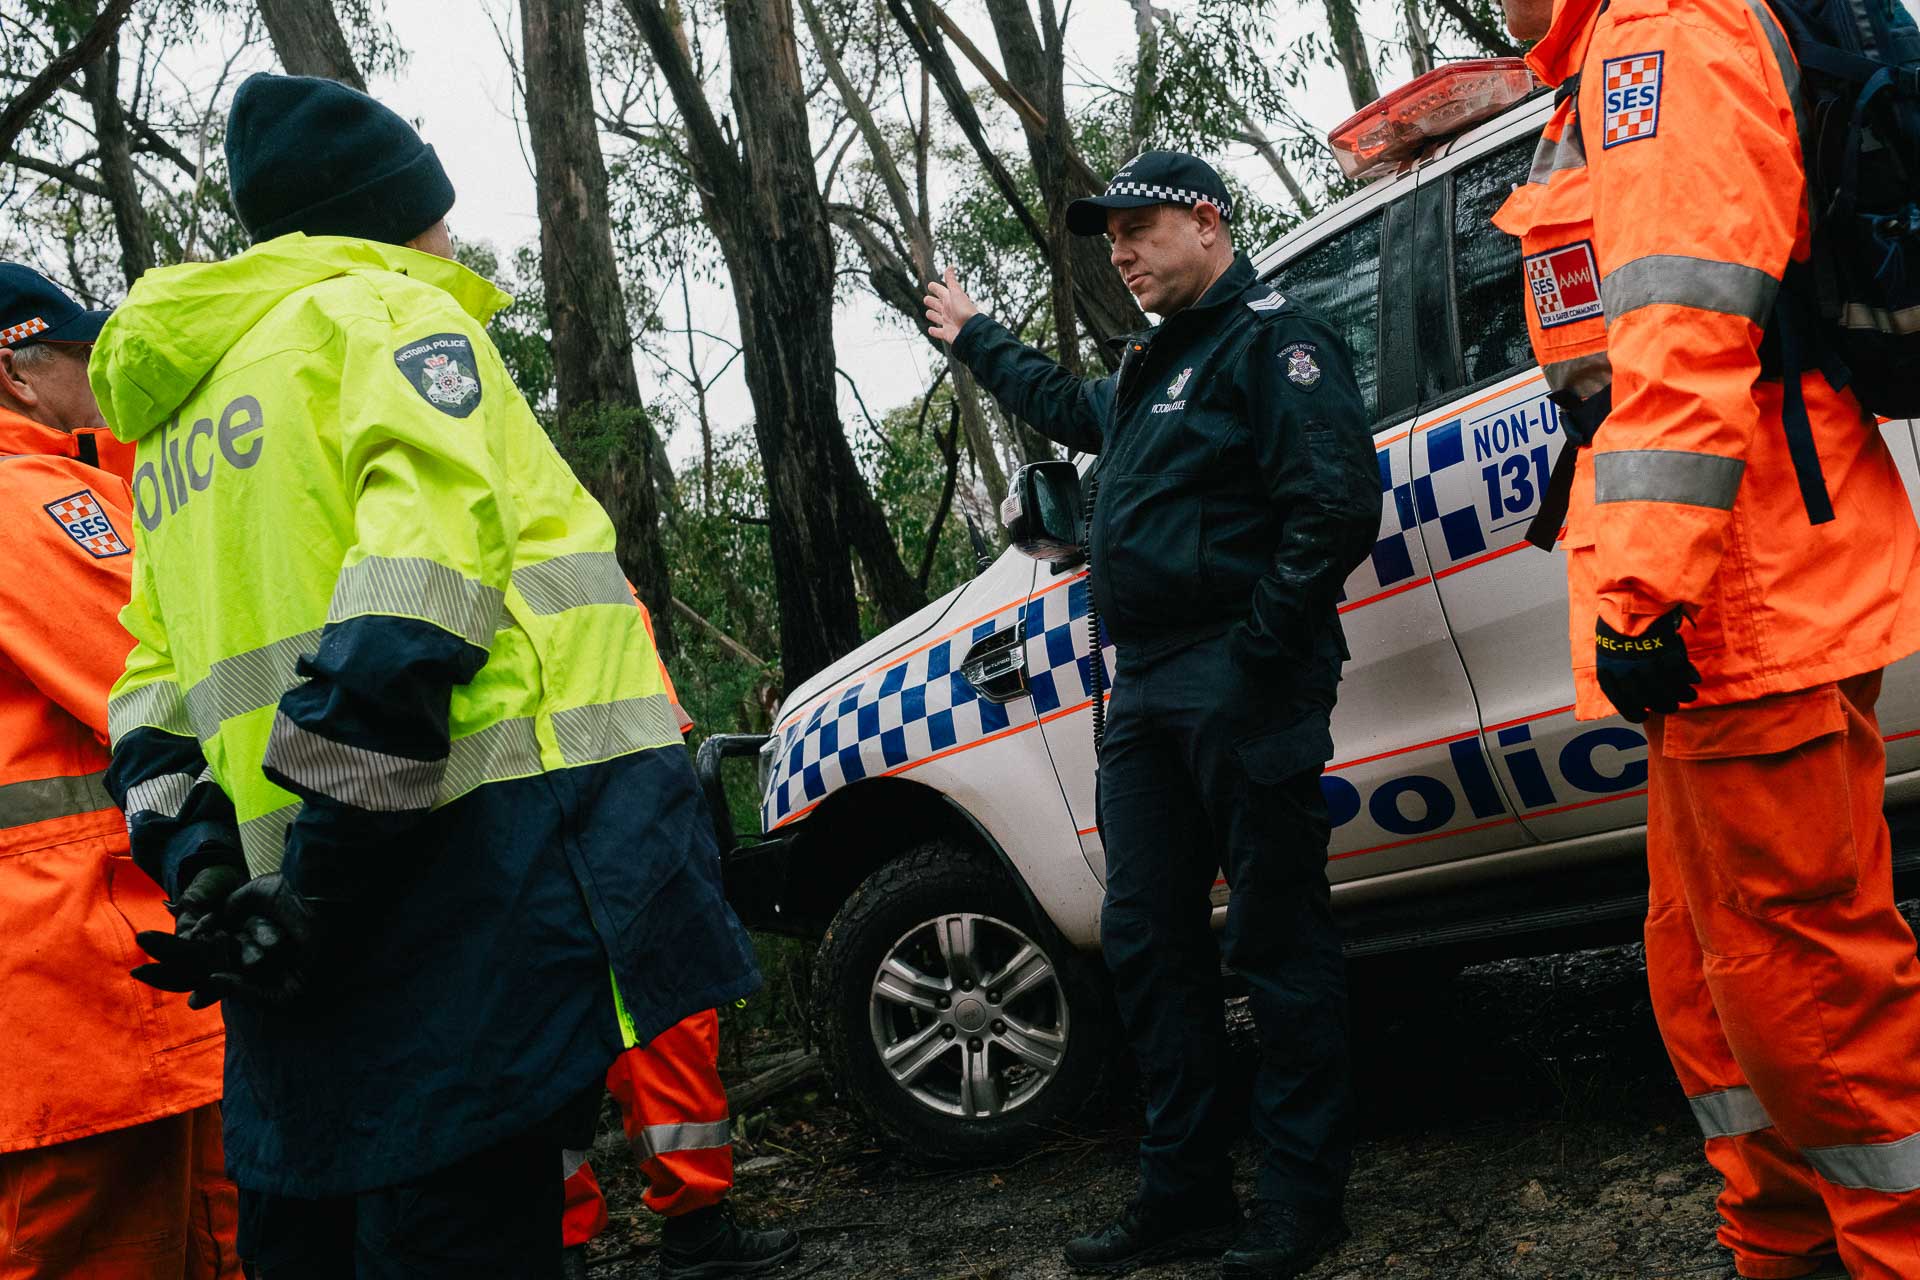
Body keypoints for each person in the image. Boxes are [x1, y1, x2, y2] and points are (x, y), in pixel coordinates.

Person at [91, 73, 761, 1278]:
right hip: (449, 880)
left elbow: (149, 691)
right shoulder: (388, 316)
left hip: (278, 931)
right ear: (388, 219)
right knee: (457, 1230)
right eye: (438, 216)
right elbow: (421, 592)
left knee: (314, 1234)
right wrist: (327, 874)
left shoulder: (176, 420)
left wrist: (202, 871)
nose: (451, 243)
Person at [1494, 0, 1920, 1274]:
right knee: (1711, 974)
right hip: (1729, 596)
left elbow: (1682, 337)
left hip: (1742, 593)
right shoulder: (1607, 59)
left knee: (1806, 987)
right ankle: (1783, 1247)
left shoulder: (1661, 39)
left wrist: (1644, 591)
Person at [924, 151, 1381, 1279]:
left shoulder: (1275, 341)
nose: (1120, 252)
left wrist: (1256, 649)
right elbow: (1061, 403)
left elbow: (1333, 505)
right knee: (1146, 938)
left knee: (1276, 937)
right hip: (1143, 689)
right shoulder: (1148, 370)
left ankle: (1301, 1199)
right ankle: (1184, 1191)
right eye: (1111, 236)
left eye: (1139, 228)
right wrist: (975, 336)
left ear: (1208, 223)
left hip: (1240, 673)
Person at [0, 264, 239, 1278]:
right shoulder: (28, 499)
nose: (104, 376)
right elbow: (162, 672)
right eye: (83, 354)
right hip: (81, 993)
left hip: (76, 997)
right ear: (17, 369)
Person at [560, 600, 798, 1280]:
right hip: (600, 798)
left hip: (614, 793)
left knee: (656, 1016)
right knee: (600, 1023)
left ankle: (676, 1231)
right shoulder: (544, 545)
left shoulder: (578, 552)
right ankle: (587, 1242)